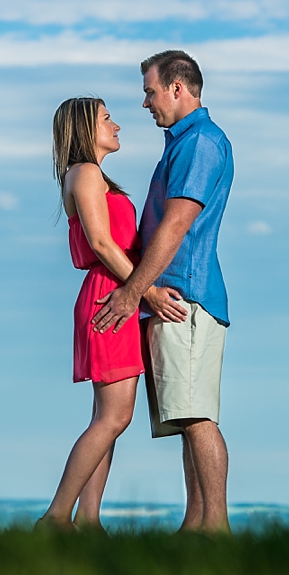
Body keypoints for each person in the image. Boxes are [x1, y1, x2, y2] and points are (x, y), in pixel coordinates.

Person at [92, 51, 234, 533]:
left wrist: (134, 292)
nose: (146, 102)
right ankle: (196, 527)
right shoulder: (183, 144)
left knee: (197, 418)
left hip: (182, 298)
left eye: (150, 91)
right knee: (186, 416)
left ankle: (215, 528)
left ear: (178, 88)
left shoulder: (200, 143)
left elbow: (176, 225)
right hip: (173, 298)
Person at [39, 97, 186, 531]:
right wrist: (150, 292)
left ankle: (87, 519)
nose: (117, 125)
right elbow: (102, 244)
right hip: (110, 295)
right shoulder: (84, 173)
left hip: (116, 292)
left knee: (109, 417)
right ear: (86, 127)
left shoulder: (95, 176)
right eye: (107, 119)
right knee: (114, 416)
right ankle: (56, 517)